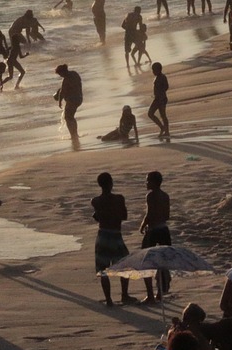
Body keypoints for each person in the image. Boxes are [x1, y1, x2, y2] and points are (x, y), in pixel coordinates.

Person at [92, 171, 135, 306]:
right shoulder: (119, 199)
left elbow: (99, 216)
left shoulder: (95, 201)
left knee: (102, 269)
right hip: (116, 235)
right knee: (125, 265)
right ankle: (124, 294)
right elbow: (124, 216)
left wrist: (100, 215)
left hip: (103, 235)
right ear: (111, 183)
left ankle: (109, 300)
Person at [140, 170, 171, 303]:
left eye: (148, 180)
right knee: (163, 261)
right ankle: (160, 292)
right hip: (164, 229)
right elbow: (167, 215)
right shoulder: (165, 195)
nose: (146, 183)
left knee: (145, 261)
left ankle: (150, 295)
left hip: (153, 231)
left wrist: (142, 225)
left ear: (154, 182)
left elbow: (150, 213)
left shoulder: (151, 196)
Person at [53, 64, 83, 139]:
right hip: (79, 98)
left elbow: (62, 92)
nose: (60, 76)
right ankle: (75, 134)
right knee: (71, 117)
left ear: (63, 72)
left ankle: (73, 135)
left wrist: (59, 102)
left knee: (68, 117)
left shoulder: (66, 79)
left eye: (60, 74)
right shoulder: (75, 74)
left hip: (72, 100)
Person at [148, 62, 170, 139]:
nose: (153, 72)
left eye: (154, 70)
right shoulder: (157, 77)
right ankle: (162, 127)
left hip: (161, 99)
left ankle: (166, 131)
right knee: (150, 113)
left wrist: (160, 93)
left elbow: (166, 87)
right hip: (157, 99)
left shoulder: (162, 77)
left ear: (158, 70)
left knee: (163, 115)